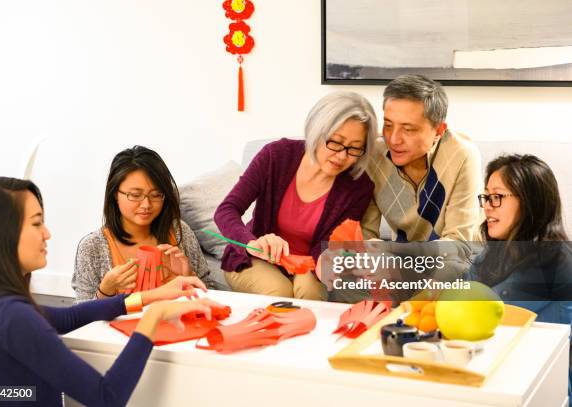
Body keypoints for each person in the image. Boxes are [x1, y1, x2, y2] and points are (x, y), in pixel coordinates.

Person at [0, 177, 223, 406]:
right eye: (37, 223)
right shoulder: (12, 317)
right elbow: (106, 397)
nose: (47, 234)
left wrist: (154, 295)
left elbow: (67, 318)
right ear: (2, 233)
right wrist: (155, 316)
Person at [214, 91, 378, 300]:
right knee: (279, 291)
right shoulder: (276, 155)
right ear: (315, 131)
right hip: (254, 259)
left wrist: (328, 263)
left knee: (309, 291)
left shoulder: (358, 187)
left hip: (307, 263)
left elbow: (330, 242)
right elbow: (226, 210)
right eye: (335, 142)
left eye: (355, 149)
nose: (342, 156)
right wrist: (252, 243)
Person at [469, 154, 572, 403]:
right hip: (493, 375)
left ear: (530, 202)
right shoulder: (490, 255)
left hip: (542, 386)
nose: (487, 205)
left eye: (498, 196)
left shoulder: (558, 259)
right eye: (486, 197)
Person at [72, 146, 214, 302]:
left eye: (156, 195)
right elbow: (81, 318)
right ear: (114, 194)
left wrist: (187, 277)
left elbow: (209, 295)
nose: (146, 204)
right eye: (135, 195)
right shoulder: (92, 248)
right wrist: (105, 291)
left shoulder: (179, 232)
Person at [362, 74, 482, 243]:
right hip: (402, 260)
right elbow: (363, 235)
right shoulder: (374, 155)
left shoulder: (462, 154)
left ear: (439, 130)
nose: (394, 139)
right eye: (388, 125)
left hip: (463, 263)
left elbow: (458, 243)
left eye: (408, 129)